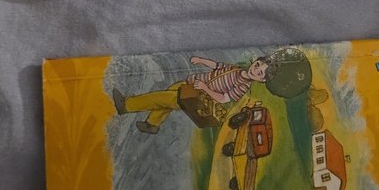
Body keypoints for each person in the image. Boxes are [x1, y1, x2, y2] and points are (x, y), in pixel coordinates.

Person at [112, 54, 269, 134]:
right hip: (191, 84)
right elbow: (218, 66)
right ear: (254, 61)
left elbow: (223, 98)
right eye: (257, 65)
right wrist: (201, 60)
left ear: (262, 80)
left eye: (260, 73)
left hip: (197, 97)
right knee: (168, 96)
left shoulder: (243, 86)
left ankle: (126, 105)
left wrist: (205, 88)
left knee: (159, 98)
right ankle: (152, 125)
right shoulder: (237, 69)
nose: (255, 70)